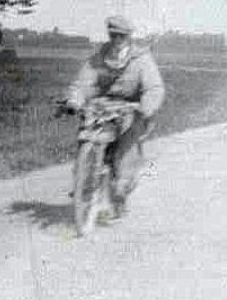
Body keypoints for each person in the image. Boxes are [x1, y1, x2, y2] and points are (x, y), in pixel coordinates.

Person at [63, 15, 165, 217]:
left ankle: (120, 191)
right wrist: (74, 99)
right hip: (103, 109)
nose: (117, 40)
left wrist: (145, 106)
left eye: (121, 36)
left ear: (129, 37)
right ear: (109, 35)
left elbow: (154, 87)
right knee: (85, 134)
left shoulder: (141, 59)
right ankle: (83, 179)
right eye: (113, 35)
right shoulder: (99, 58)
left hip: (133, 111)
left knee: (124, 152)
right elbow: (82, 83)